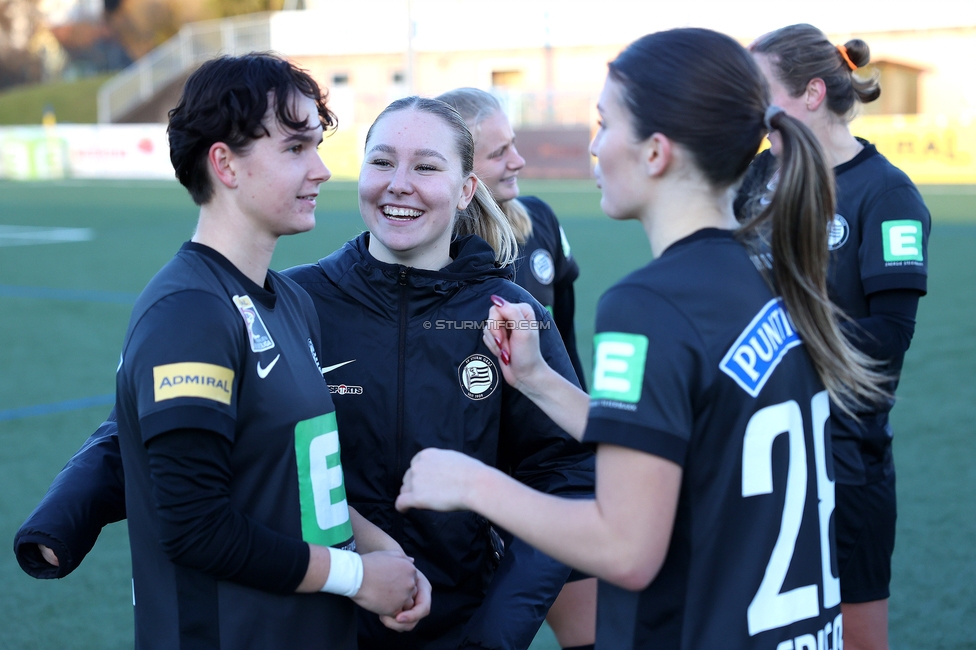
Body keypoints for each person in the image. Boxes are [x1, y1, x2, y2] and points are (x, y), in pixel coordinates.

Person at [15, 95, 594, 650]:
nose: (399, 183)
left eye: (426, 166)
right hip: (314, 618)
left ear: (466, 189)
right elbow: (147, 424)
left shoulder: (511, 314)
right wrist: (64, 519)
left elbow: (563, 471)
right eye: (382, 162)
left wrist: (496, 631)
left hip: (458, 628)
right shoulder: (293, 300)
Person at [395, 27, 890, 650]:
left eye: (604, 124)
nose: (596, 147)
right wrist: (539, 381)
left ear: (656, 152)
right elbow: (681, 448)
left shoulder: (651, 304)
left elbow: (624, 548)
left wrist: (472, 483)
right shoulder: (775, 271)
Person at [93, 53, 426, 648]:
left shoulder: (290, 302)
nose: (322, 170)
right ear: (225, 163)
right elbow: (195, 526)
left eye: (318, 146)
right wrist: (355, 577)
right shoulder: (189, 315)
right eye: (296, 148)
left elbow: (287, 484)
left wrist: (384, 552)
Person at [735, 24, 931, 650]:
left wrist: (783, 347)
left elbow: (888, 336)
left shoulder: (886, 193)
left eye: (759, 91)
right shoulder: (754, 179)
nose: (749, 107)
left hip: (844, 457)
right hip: (749, 451)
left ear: (813, 93)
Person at [437, 87, 596, 650]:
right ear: (460, 171)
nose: (519, 162)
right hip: (466, 487)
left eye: (515, 146)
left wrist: (578, 426)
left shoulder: (542, 224)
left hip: (549, 474)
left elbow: (567, 341)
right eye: (500, 152)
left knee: (593, 632)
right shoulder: (430, 248)